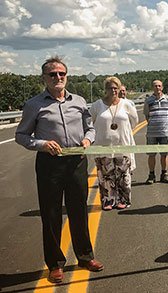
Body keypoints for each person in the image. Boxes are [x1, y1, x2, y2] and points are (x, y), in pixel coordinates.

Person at [15, 56, 103, 283]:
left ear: (67, 76)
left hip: (76, 162)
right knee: (52, 214)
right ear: (44, 78)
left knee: (79, 211)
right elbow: (21, 136)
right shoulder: (34, 105)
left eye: (61, 73)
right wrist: (42, 144)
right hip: (49, 165)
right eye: (52, 74)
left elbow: (90, 129)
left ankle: (85, 257)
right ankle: (55, 264)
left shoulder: (80, 101)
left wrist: (87, 140)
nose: (58, 77)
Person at [90, 77, 138, 210]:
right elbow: (90, 123)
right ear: (105, 89)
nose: (113, 90)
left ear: (119, 89)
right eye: (110, 88)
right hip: (103, 146)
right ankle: (108, 200)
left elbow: (134, 121)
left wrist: (124, 132)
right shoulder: (97, 105)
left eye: (116, 88)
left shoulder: (126, 104)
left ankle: (123, 199)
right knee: (105, 176)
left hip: (122, 145)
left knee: (123, 175)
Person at [144, 80, 168, 184]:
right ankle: (151, 175)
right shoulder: (148, 100)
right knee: (151, 155)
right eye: (155, 86)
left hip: (164, 132)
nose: (157, 88)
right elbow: (147, 116)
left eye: (159, 86)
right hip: (152, 132)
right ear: (152, 88)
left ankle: (164, 174)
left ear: (162, 87)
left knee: (164, 154)